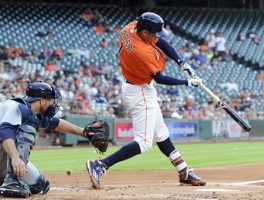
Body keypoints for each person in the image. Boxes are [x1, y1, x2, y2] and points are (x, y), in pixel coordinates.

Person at [86, 12, 206, 188]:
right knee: (143, 142)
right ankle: (101, 165)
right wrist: (187, 82)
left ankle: (184, 171)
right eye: (154, 33)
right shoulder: (141, 52)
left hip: (138, 86)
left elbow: (161, 42)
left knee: (162, 135)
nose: (156, 36)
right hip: (139, 91)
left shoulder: (132, 27)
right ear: (144, 32)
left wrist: (181, 62)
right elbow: (160, 79)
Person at [0, 82, 96, 198]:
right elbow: (5, 132)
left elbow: (56, 123)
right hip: (5, 149)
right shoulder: (17, 107)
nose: (52, 103)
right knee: (28, 129)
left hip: (3, 154)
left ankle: (6, 181)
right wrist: (15, 158)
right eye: (50, 100)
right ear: (42, 101)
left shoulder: (32, 112)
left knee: (37, 185)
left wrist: (82, 132)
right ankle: (11, 181)